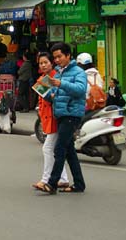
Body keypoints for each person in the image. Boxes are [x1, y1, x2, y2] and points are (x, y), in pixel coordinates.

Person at [41, 42, 87, 195]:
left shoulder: (78, 72)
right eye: (55, 57)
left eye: (59, 56)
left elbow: (80, 90)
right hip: (60, 114)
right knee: (69, 151)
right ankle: (79, 184)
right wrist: (48, 93)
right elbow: (53, 93)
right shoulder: (58, 72)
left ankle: (52, 183)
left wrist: (61, 84)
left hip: (72, 114)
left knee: (59, 148)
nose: (57, 60)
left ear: (68, 55)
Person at [32, 51, 69, 193]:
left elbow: (52, 98)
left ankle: (46, 179)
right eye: (41, 63)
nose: (43, 65)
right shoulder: (42, 79)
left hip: (55, 117)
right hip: (48, 117)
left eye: (45, 62)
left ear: (51, 63)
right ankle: (63, 179)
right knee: (55, 150)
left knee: (47, 148)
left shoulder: (54, 77)